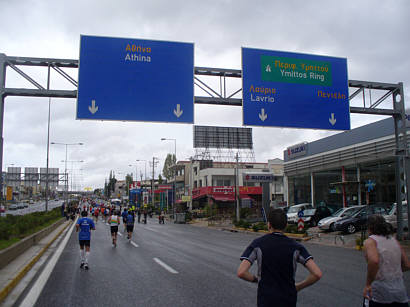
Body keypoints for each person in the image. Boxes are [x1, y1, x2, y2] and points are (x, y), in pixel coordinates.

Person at [237, 209, 322, 307]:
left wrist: (257, 280)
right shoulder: (296, 247)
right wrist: (298, 287)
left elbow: (241, 272)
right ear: (286, 225)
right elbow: (317, 274)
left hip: (266, 299)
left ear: (269, 225)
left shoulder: (258, 244)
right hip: (288, 299)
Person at [363, 215, 410, 307]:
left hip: (380, 292)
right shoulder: (394, 240)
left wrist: (368, 284)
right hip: (399, 291)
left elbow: (374, 261)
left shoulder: (371, 241)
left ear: (369, 227)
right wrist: (391, 271)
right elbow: (407, 265)